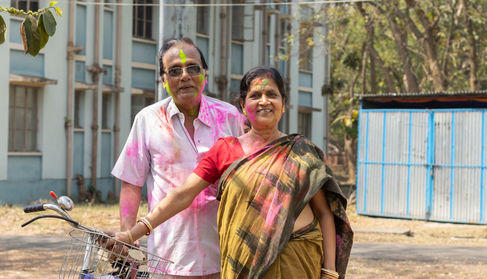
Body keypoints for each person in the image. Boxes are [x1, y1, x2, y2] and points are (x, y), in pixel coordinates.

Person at [110, 66, 353, 279]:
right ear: (243, 105)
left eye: (272, 95)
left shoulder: (302, 153)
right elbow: (182, 195)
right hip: (244, 263)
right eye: (255, 95)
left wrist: (329, 272)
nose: (264, 101)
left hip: (299, 261)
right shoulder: (225, 150)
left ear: (283, 104)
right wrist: (132, 234)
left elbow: (324, 213)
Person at [111, 37, 244, 278]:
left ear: (205, 73)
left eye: (193, 67)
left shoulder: (230, 117)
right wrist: (127, 238)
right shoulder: (148, 120)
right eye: (174, 71)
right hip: (167, 258)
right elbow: (131, 183)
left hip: (224, 255)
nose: (185, 76)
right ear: (163, 79)